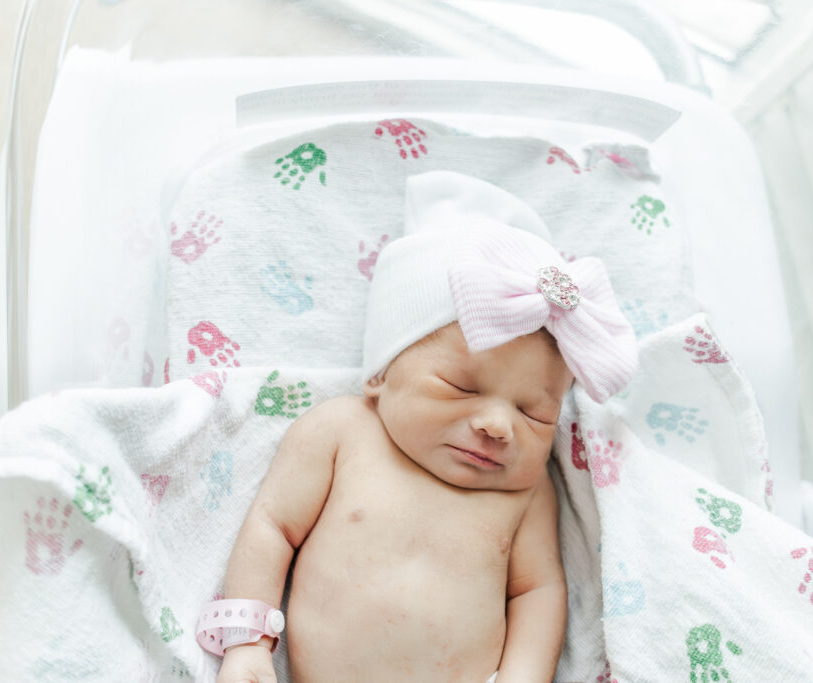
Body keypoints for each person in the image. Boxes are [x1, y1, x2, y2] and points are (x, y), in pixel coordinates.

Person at [196, 171, 638, 682]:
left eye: (533, 412)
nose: (498, 425)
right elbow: (272, 528)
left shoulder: (525, 491)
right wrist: (247, 644)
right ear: (382, 373)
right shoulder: (343, 432)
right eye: (462, 387)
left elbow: (537, 590)